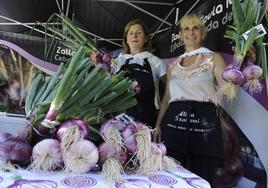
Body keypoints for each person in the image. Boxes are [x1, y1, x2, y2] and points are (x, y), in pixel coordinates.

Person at [153, 14, 227, 186]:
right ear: (181, 35)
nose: (190, 32)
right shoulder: (173, 65)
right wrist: (158, 125)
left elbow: (227, 87)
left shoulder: (213, 57)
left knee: (203, 179)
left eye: (195, 28)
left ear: (203, 33)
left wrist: (239, 67)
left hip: (204, 128)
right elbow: (167, 98)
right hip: (173, 126)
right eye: (186, 28)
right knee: (171, 178)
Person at [111, 19, 166, 128]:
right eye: (131, 33)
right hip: (120, 119)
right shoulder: (116, 61)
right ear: (126, 39)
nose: (134, 36)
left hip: (147, 118)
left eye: (139, 33)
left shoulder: (155, 61)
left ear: (146, 39)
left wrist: (162, 111)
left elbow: (171, 88)